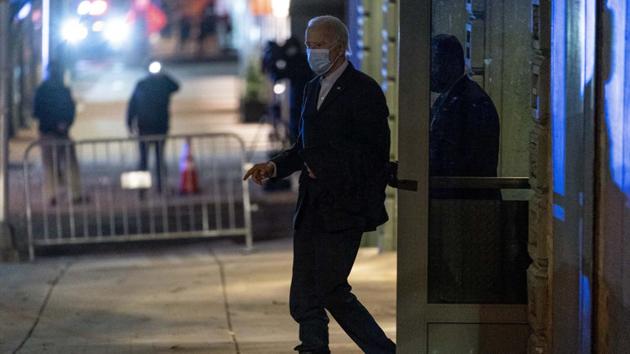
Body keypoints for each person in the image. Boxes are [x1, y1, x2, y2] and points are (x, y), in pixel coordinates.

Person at [244, 16, 396, 354]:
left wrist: (325, 167)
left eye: (319, 45)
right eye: (309, 44)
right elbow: (304, 148)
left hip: (344, 208)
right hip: (312, 206)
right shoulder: (313, 87)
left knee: (331, 288)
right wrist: (273, 166)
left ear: (339, 48)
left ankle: (383, 350)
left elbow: (372, 155)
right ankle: (312, 347)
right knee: (303, 292)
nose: (312, 52)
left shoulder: (364, 91)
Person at [429, 34, 500, 198]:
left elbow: (460, 162)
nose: (428, 71)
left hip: (465, 204)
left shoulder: (469, 102)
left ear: (450, 64)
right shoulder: (456, 97)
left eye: (433, 64)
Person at [33, 61, 84, 206]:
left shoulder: (42, 90)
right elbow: (70, 110)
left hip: (47, 131)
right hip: (61, 132)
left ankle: (52, 195)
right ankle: (75, 193)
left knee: (49, 165)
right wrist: (64, 123)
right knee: (70, 163)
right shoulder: (63, 90)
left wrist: (51, 123)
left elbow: (36, 112)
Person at [127, 62, 180, 193]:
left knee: (159, 159)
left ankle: (161, 187)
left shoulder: (164, 83)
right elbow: (132, 105)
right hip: (144, 127)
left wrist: (164, 74)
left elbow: (177, 86)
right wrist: (129, 123)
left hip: (160, 127)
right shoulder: (142, 84)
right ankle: (142, 189)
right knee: (143, 160)